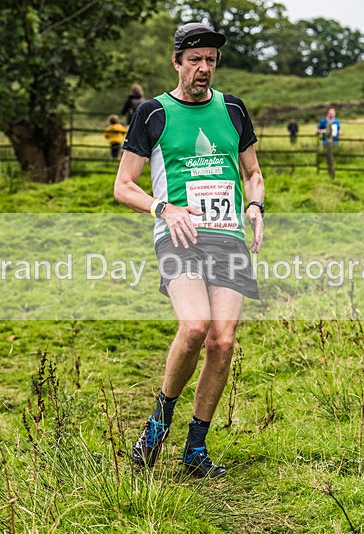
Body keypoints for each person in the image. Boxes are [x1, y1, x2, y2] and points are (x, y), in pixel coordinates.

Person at [113, 22, 264, 478]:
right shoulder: (152, 113)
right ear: (177, 61)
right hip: (177, 234)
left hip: (227, 235)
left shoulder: (233, 109)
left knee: (223, 340)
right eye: (195, 59)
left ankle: (195, 449)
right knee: (196, 326)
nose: (204, 68)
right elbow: (123, 186)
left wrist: (255, 203)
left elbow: (252, 172)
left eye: (211, 61)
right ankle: (158, 425)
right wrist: (164, 208)